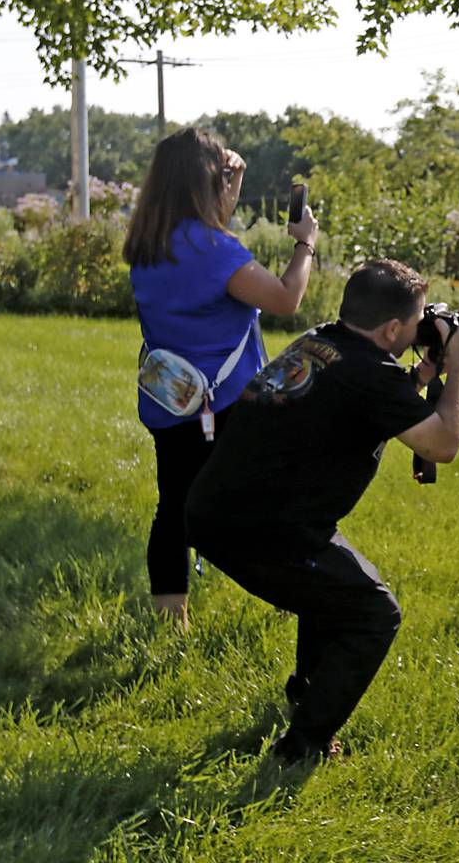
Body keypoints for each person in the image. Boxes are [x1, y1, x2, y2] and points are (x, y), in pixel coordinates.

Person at [184, 259, 459, 764]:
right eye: (416, 321)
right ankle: (301, 747)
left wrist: (423, 376)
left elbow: (359, 397)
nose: (420, 327)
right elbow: (444, 444)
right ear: (390, 329)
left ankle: (306, 697)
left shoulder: (323, 340)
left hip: (222, 508)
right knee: (372, 614)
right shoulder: (370, 375)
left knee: (334, 591)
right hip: (260, 530)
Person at [124, 127, 320, 627]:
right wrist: (306, 246)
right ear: (207, 183)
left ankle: (171, 619)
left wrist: (224, 190)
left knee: (175, 505)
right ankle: (296, 594)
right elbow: (285, 299)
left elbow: (203, 257)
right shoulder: (214, 248)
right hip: (226, 403)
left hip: (170, 398)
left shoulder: (148, 242)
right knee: (272, 497)